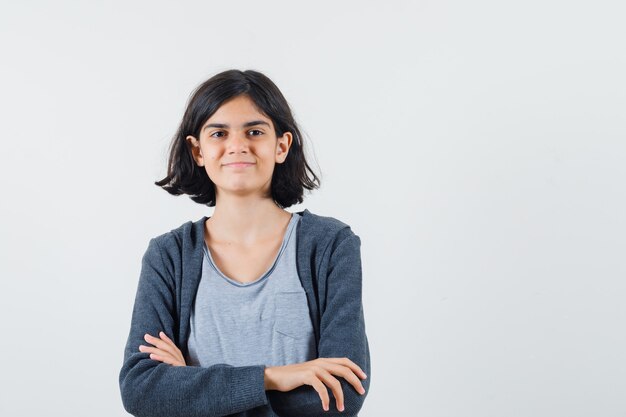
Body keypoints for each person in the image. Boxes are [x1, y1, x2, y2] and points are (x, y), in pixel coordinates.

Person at [118, 69, 371, 417]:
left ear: (281, 145)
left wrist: (192, 384)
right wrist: (273, 378)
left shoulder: (329, 246)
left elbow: (342, 394)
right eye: (219, 133)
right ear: (198, 151)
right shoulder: (169, 256)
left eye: (254, 131)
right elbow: (142, 390)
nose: (237, 145)